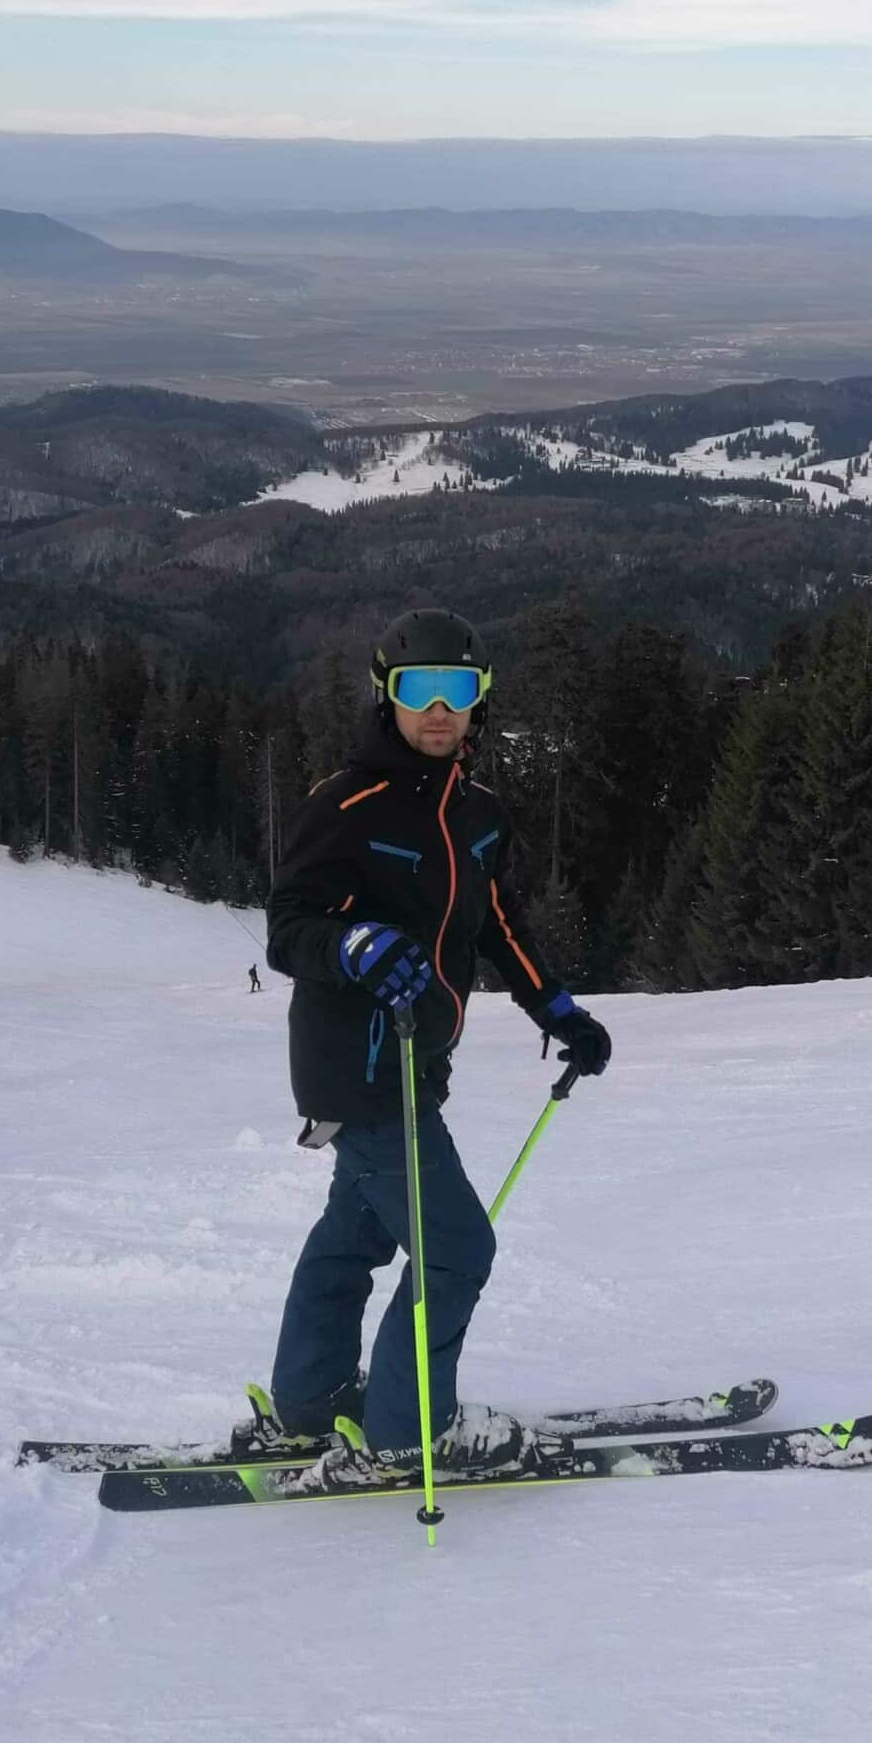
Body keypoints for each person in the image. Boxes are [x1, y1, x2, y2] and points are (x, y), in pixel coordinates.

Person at [262, 606, 611, 1488]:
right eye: (419, 690)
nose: (438, 709)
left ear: (479, 698)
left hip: (418, 1060)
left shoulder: (480, 814)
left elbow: (498, 923)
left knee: (355, 1235)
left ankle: (308, 1406)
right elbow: (288, 929)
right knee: (459, 1248)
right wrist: (351, 946)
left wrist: (558, 1010)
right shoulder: (343, 803)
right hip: (357, 1065)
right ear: (388, 694)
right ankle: (409, 1434)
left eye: (456, 690)